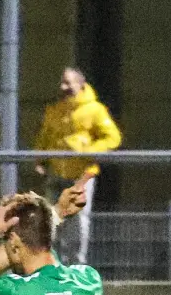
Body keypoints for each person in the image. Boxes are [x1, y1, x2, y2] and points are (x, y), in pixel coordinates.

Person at [33, 67, 123, 266]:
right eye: (62, 82)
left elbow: (112, 138)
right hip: (55, 173)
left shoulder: (95, 110)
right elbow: (45, 136)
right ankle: (53, 266)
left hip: (81, 175)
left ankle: (76, 268)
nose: (63, 87)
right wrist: (39, 159)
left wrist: (89, 150)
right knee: (51, 221)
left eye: (68, 83)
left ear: (80, 85)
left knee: (78, 223)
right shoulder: (54, 110)